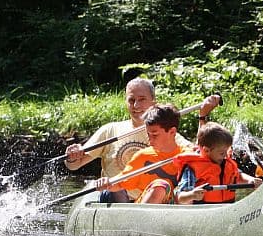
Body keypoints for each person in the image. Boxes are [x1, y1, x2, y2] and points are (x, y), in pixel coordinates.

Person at [64, 76, 219, 202]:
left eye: (142, 99)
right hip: (116, 196)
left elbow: (199, 154)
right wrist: (72, 157)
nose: (136, 105)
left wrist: (203, 116)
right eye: (131, 100)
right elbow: (74, 166)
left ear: (153, 101)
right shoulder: (110, 130)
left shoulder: (167, 134)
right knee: (120, 190)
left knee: (161, 186)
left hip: (152, 199)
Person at [93, 104, 190, 204]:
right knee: (161, 185)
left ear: (172, 132)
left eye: (155, 135)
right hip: (144, 207)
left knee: (187, 193)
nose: (150, 140)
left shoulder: (187, 154)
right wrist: (106, 183)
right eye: (148, 134)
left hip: (174, 205)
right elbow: (119, 183)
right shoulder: (143, 157)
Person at [174, 122, 262, 204]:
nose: (225, 156)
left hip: (227, 209)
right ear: (206, 150)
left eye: (226, 152)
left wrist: (250, 180)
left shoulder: (226, 162)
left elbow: (238, 175)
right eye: (222, 153)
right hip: (204, 212)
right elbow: (179, 197)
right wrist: (191, 195)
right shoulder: (192, 168)